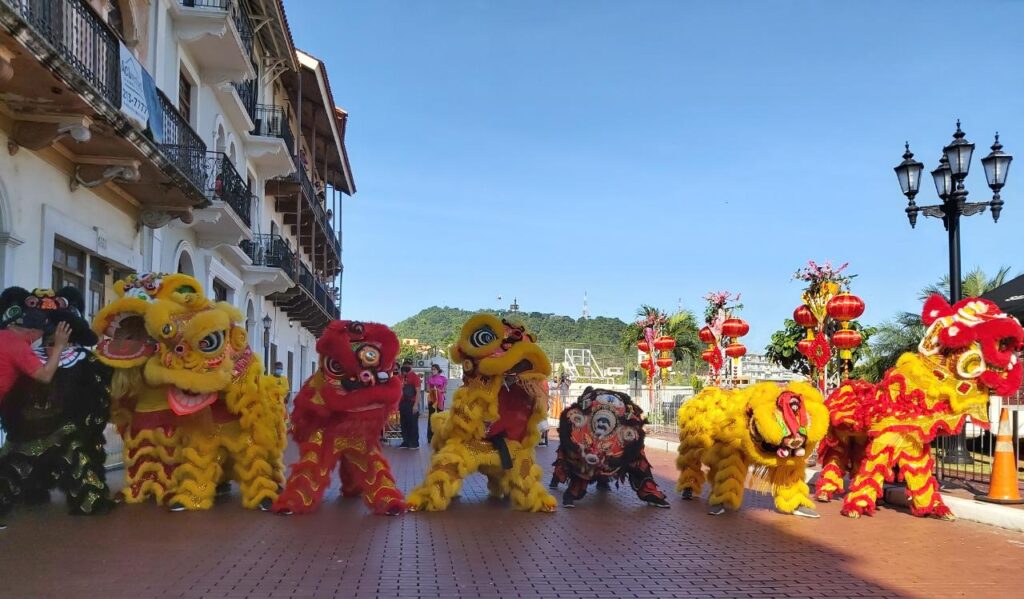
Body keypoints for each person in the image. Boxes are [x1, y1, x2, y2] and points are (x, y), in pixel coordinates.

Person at [0, 320, 71, 530]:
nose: (35, 334)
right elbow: (45, 375)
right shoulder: (16, 346)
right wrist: (59, 346)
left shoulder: (8, 339)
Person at [398, 358, 421, 449]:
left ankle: (414, 443)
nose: (407, 366)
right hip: (402, 402)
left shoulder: (415, 377)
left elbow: (418, 392)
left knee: (412, 423)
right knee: (404, 422)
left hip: (411, 402)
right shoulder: (400, 377)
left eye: (409, 364)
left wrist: (416, 404)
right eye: (405, 364)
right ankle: (406, 441)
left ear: (411, 366)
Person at [425, 363, 447, 443]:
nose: (433, 371)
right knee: (431, 417)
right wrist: (432, 390)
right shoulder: (429, 378)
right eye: (432, 369)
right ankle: (430, 437)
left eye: (434, 369)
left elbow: (445, 390)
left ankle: (439, 436)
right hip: (432, 399)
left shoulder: (443, 378)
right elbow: (427, 389)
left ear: (438, 370)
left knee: (440, 416)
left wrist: (439, 390)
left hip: (440, 399)